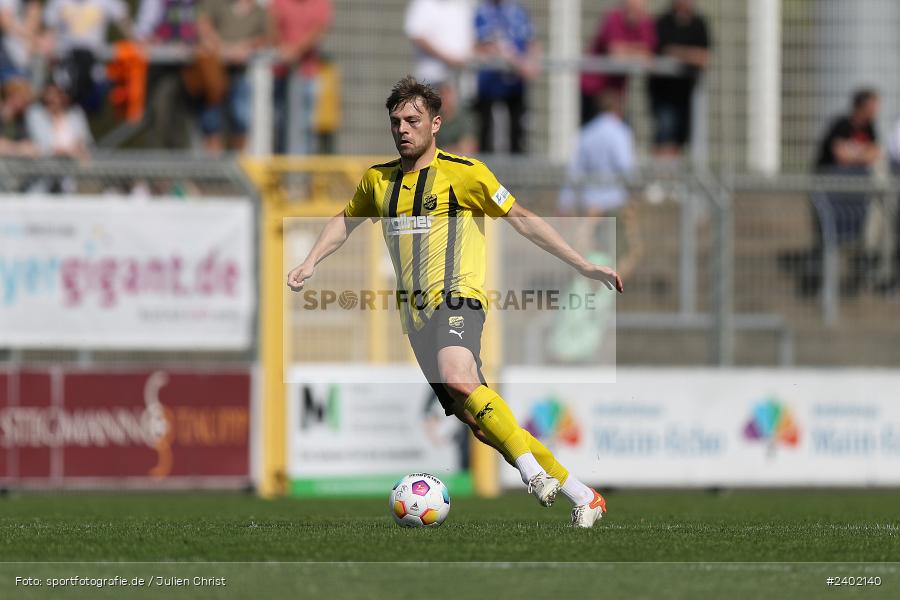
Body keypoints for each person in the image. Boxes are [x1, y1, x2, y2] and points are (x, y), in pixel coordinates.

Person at [286, 77, 622, 528]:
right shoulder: (378, 181)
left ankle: (531, 473)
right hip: (416, 318)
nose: (403, 129)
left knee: (457, 375)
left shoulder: (466, 173)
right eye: (396, 121)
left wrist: (582, 263)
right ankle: (584, 495)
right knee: (483, 425)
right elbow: (345, 221)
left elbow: (521, 218)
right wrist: (310, 261)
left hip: (459, 299)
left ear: (436, 123)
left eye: (413, 120)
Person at [788, 89, 882, 297]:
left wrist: (856, 154)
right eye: (873, 106)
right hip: (831, 194)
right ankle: (820, 289)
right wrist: (861, 155)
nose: (877, 111)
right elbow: (840, 155)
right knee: (826, 238)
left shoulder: (870, 128)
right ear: (861, 106)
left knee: (861, 238)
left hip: (855, 197)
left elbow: (875, 153)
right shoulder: (841, 125)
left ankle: (856, 285)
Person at [195, 0, 269, 153]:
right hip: (214, 72)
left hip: (241, 73)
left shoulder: (259, 11)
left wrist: (246, 47)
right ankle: (214, 170)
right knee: (211, 121)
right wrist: (223, 48)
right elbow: (203, 24)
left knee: (241, 120)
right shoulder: (217, 4)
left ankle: (236, 167)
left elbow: (267, 37)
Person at [473, 0, 540, 154]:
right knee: (487, 133)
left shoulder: (518, 10)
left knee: (518, 133)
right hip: (489, 84)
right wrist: (518, 63)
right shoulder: (483, 11)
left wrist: (532, 62)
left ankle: (518, 175)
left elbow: (531, 41)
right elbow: (486, 44)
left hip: (515, 85)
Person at [43, 0, 133, 112]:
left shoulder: (106, 2)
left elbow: (124, 22)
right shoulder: (58, 3)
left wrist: (136, 40)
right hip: (65, 67)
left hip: (94, 68)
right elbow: (49, 33)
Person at [647, 0, 710, 157]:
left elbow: (703, 58)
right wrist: (688, 55)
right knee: (664, 139)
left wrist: (677, 52)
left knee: (679, 142)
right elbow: (657, 53)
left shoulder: (698, 23)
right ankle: (661, 179)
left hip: (687, 95)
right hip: (664, 96)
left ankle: (672, 179)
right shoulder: (662, 22)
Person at [270, 0, 333, 155]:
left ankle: (302, 172)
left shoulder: (320, 3)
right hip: (280, 74)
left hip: (308, 74)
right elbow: (271, 25)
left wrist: (295, 51)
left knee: (306, 126)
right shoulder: (279, 3)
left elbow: (318, 31)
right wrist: (282, 49)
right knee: (278, 124)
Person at [134, 0, 199, 149]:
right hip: (163, 69)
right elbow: (142, 33)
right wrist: (165, 45)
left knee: (193, 124)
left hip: (195, 70)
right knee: (161, 117)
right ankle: (160, 168)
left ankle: (188, 168)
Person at [559, 91, 634, 218]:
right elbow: (625, 165)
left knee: (585, 236)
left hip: (589, 200)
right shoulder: (620, 131)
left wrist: (564, 202)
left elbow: (575, 169)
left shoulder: (586, 132)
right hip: (615, 200)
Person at [581, 0, 655, 125]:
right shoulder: (613, 18)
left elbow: (648, 54)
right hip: (593, 87)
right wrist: (637, 50)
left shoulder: (645, 22)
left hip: (616, 92)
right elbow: (615, 53)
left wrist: (626, 50)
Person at [404, 0, 473, 87]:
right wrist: (448, 59)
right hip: (432, 77)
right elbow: (417, 36)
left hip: (460, 78)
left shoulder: (461, 5)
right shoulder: (423, 4)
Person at [435, 79, 476, 155]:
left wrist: (442, 152)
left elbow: (468, 147)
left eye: (448, 94)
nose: (444, 98)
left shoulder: (464, 118)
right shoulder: (432, 119)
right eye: (442, 94)